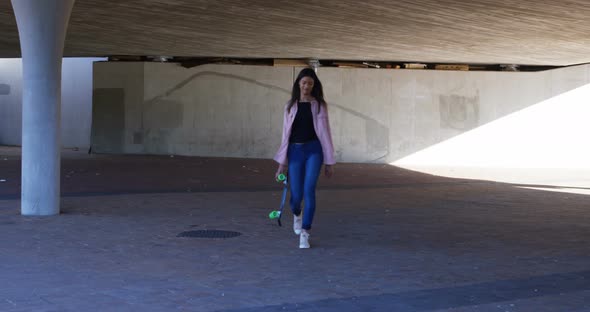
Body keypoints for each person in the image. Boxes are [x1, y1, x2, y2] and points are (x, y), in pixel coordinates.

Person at [274, 67, 336, 249]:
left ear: (314, 85)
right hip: (295, 151)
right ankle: (296, 213)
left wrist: (329, 162)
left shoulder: (319, 105)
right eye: (303, 82)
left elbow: (326, 134)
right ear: (298, 84)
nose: (306, 86)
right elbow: (285, 135)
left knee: (309, 190)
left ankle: (305, 232)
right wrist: (281, 164)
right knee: (296, 196)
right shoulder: (290, 106)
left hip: (314, 150)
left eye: (310, 83)